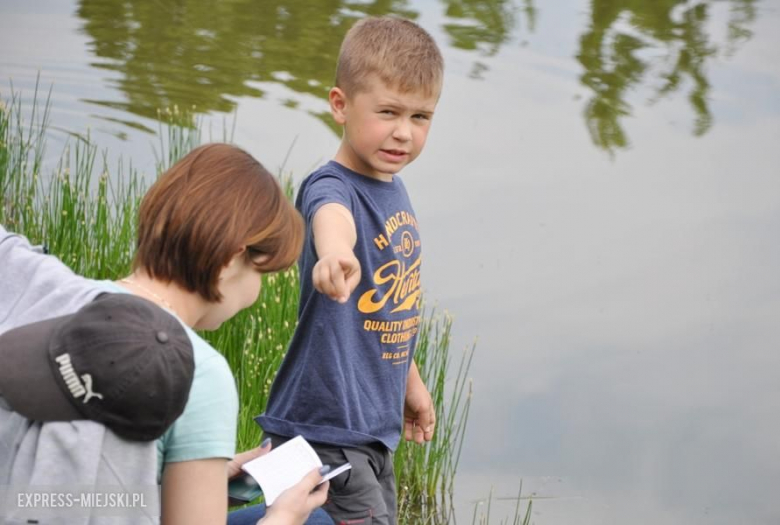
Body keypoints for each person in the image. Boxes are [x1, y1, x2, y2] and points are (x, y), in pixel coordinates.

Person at [0, 143, 331, 525]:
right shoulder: (199, 373)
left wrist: (199, 478)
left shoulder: (45, 287)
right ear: (229, 260)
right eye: (261, 274)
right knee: (314, 521)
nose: (256, 294)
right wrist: (284, 518)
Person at [256, 16, 445, 524]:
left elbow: (386, 310)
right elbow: (330, 218)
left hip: (371, 428)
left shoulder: (393, 188)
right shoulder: (331, 186)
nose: (403, 132)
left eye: (420, 116)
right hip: (326, 429)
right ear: (340, 105)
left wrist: (410, 383)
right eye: (388, 112)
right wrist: (336, 253)